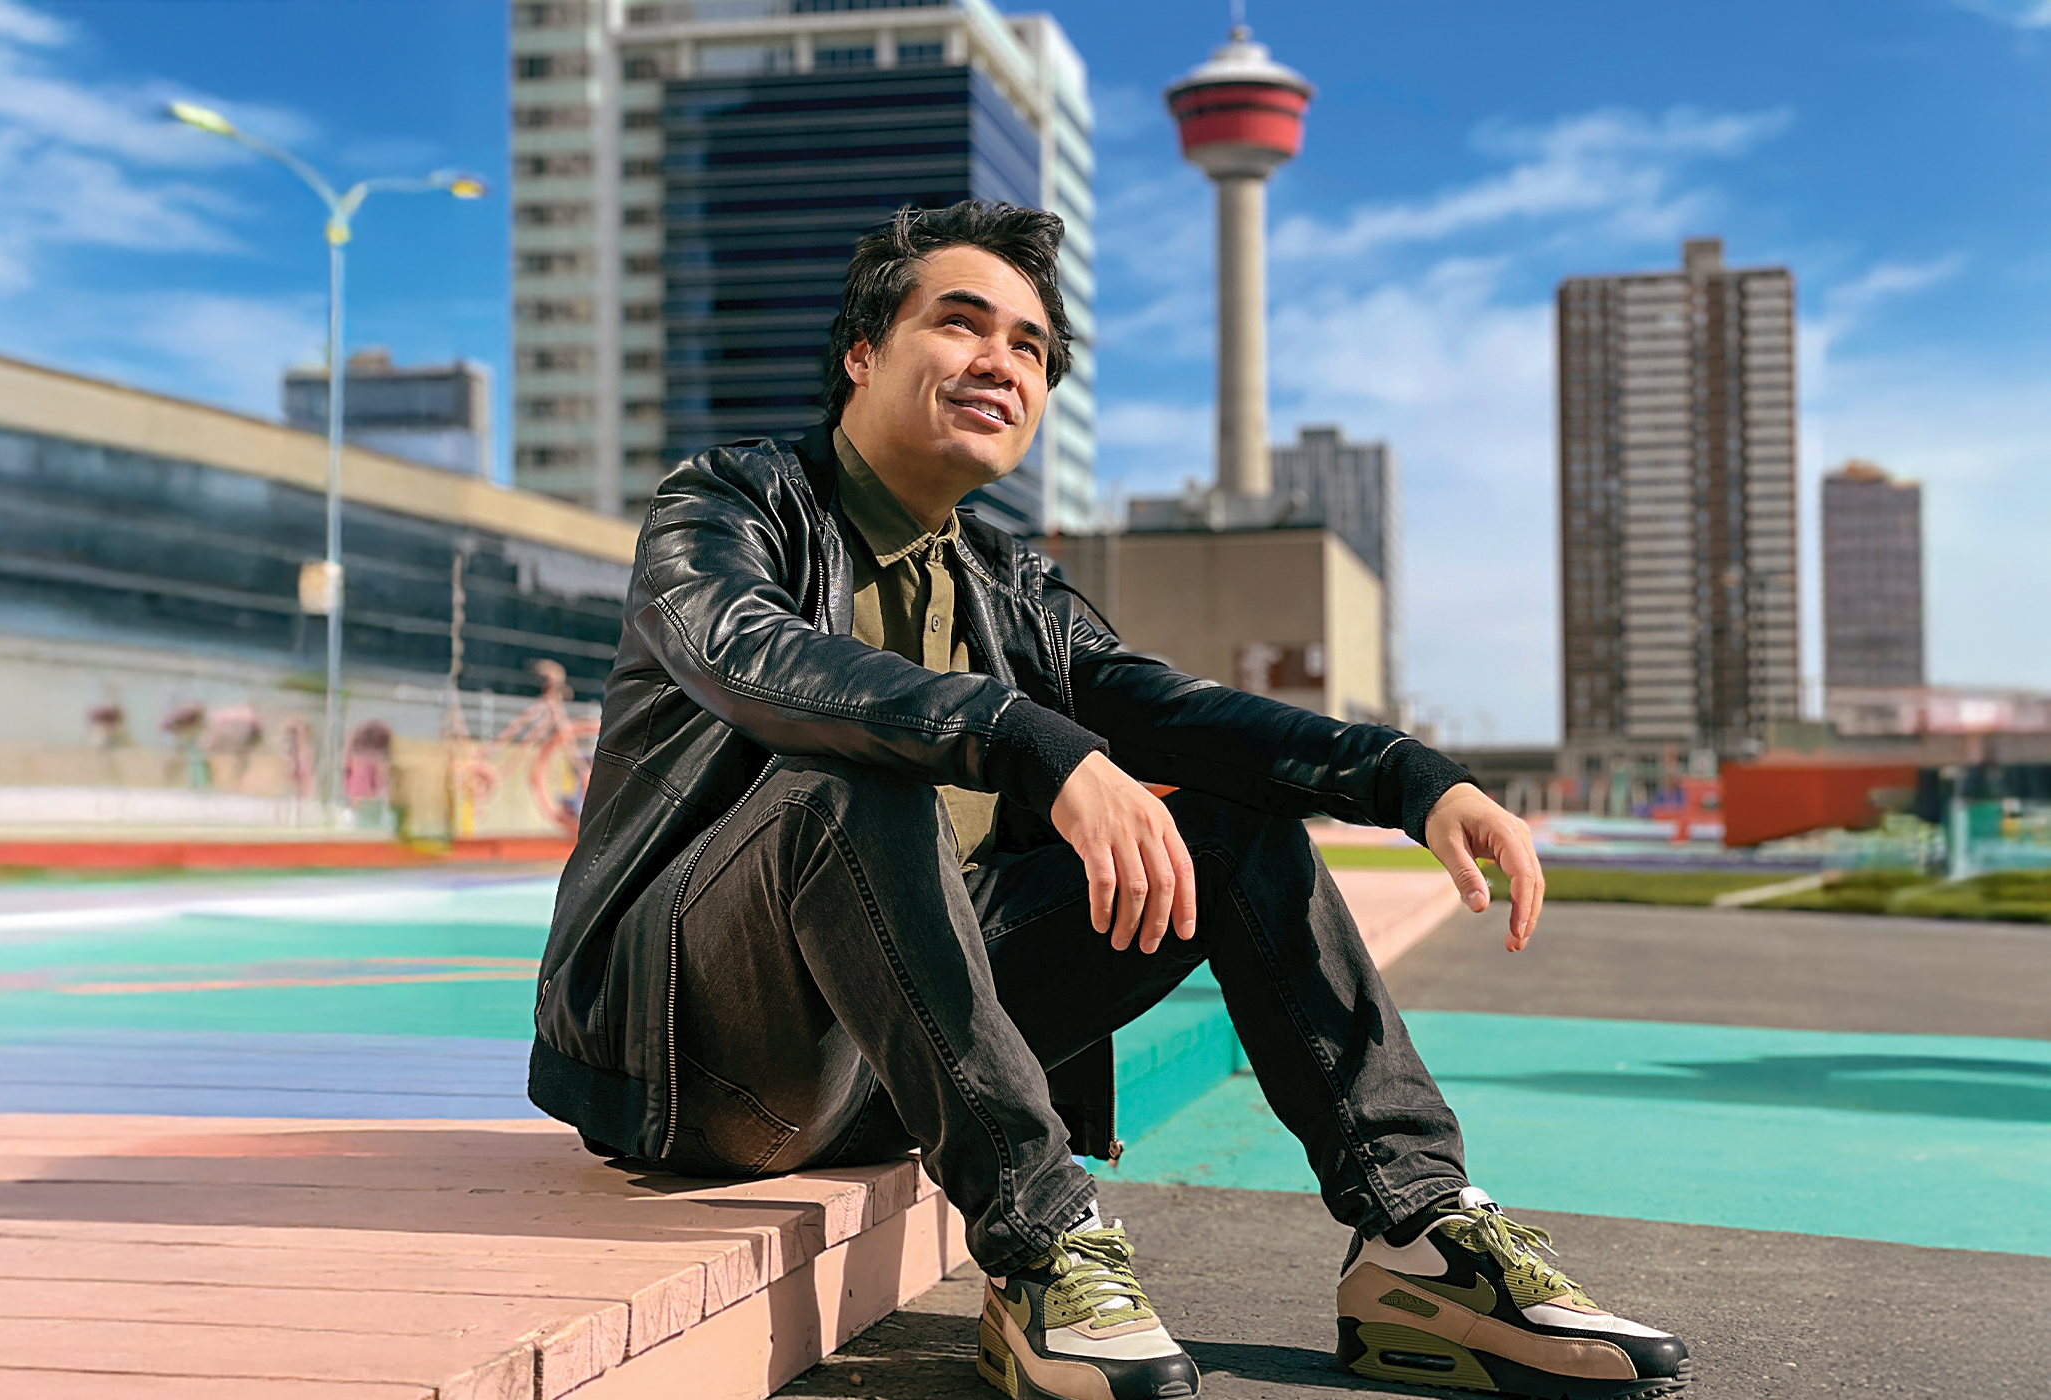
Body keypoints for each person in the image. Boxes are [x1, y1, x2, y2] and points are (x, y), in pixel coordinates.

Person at [529, 200, 1690, 1400]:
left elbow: (1172, 708)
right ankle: (1039, 1240)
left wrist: (1408, 778)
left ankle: (1417, 1232)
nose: (1002, 362)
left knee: (1233, 828)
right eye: (962, 324)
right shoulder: (723, 505)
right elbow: (750, 655)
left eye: (1030, 347)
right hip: (706, 1060)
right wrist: (1029, 738)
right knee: (853, 775)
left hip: (903, 1058)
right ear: (863, 354)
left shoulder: (1007, 580)